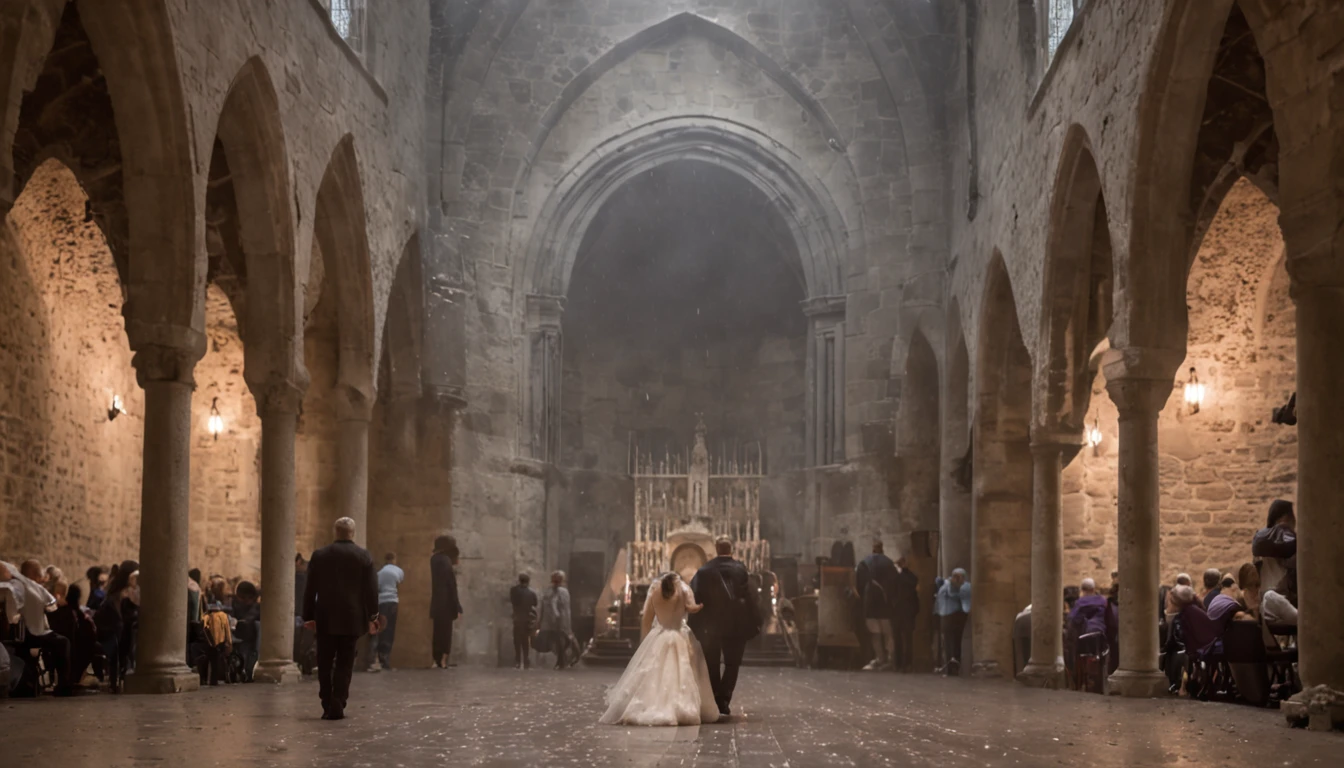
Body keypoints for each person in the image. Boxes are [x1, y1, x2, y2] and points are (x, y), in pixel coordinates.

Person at [599, 572, 719, 726]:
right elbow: (691, 607)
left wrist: (644, 641)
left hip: (659, 635)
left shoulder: (655, 591)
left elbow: (646, 617)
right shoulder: (683, 589)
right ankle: (682, 707)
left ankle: (649, 703)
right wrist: (701, 606)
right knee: (682, 672)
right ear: (677, 581)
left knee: (653, 673)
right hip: (679, 634)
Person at [303, 517, 380, 721]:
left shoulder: (320, 555)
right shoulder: (363, 556)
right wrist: (373, 615)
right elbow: (371, 590)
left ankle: (326, 702)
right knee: (345, 662)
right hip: (352, 617)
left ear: (335, 532)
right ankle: (338, 701)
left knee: (325, 660)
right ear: (352, 533)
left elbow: (310, 588)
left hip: (325, 615)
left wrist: (309, 616)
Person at [689, 537, 761, 717]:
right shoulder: (741, 570)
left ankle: (715, 697)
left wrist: (695, 624)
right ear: (732, 550)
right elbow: (751, 596)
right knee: (732, 663)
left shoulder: (703, 571)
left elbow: (694, 596)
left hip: (710, 626)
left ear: (715, 549)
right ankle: (724, 698)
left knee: (712, 663)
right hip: (736, 626)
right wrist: (755, 621)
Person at [3, 559, 73, 696]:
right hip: (29, 633)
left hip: (24, 631)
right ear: (35, 573)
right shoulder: (27, 586)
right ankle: (64, 685)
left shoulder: (24, 585)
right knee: (63, 642)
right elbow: (51, 607)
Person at [93, 560, 138, 693]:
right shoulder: (120, 595)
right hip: (111, 636)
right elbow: (119, 622)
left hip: (116, 633)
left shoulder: (119, 593)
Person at [854, 540, 898, 671]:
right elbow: (896, 584)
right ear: (882, 549)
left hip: (870, 603)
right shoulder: (889, 563)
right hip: (886, 604)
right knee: (888, 633)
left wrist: (864, 598)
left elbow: (859, 585)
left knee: (875, 634)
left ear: (872, 549)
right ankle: (891, 658)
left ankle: (880, 658)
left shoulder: (864, 563)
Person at [429, 535, 462, 668]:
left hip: (437, 602)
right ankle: (442, 659)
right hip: (447, 604)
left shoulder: (434, 559)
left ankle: (437, 659)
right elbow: (451, 585)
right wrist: (457, 606)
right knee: (445, 633)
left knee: (438, 632)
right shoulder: (445, 561)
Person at [1252, 499, 1296, 592]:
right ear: (1285, 518)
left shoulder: (1260, 537)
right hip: (1282, 592)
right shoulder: (1283, 536)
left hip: (1265, 591)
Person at [934, 568, 971, 676]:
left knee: (955, 641)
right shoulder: (947, 584)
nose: (956, 578)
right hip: (946, 615)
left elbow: (954, 595)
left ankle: (955, 666)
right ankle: (948, 665)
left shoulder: (966, 586)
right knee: (947, 641)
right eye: (955, 575)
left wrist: (954, 585)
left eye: (959, 576)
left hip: (958, 616)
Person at [539, 570, 578, 670]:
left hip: (560, 620)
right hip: (556, 620)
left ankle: (564, 660)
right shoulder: (553, 591)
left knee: (562, 639)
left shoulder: (560, 592)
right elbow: (548, 606)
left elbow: (556, 606)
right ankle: (562, 661)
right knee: (559, 640)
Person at [373, 553, 404, 671]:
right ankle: (385, 659)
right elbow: (400, 583)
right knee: (390, 629)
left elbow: (377, 588)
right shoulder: (398, 571)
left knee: (382, 628)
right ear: (394, 559)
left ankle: (379, 658)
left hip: (381, 602)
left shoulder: (379, 573)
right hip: (392, 601)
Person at [892, 555, 920, 673]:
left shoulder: (896, 578)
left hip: (897, 612)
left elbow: (891, 594)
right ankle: (907, 663)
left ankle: (898, 663)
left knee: (898, 639)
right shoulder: (912, 578)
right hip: (909, 612)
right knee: (908, 639)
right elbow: (915, 596)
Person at [509, 573, 538, 670]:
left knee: (517, 640)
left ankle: (517, 661)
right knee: (525, 640)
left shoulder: (514, 590)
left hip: (517, 618)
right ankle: (526, 661)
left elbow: (512, 601)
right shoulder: (531, 593)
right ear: (528, 582)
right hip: (527, 619)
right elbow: (535, 603)